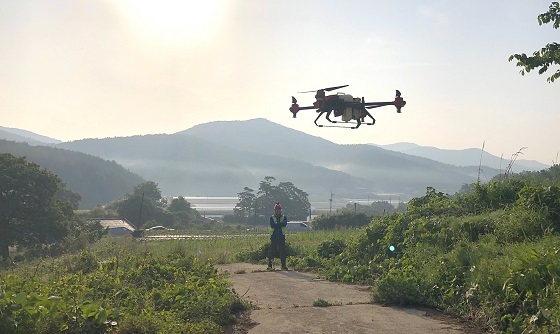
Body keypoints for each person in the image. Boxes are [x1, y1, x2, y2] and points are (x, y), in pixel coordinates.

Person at [268, 202, 288, 270]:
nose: (278, 211)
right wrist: (280, 224)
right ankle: (269, 266)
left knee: (283, 252)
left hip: (281, 236)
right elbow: (272, 225)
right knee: (272, 251)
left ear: (280, 210)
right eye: (276, 210)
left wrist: (277, 224)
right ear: (275, 210)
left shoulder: (284, 217)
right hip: (274, 237)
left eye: (279, 209)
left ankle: (283, 266)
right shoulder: (272, 217)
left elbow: (284, 224)